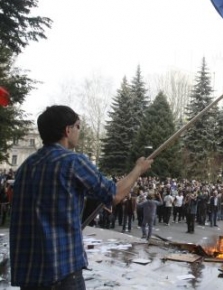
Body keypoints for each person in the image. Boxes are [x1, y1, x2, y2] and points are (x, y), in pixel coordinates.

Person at [9, 105, 153, 290]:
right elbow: (114, 194)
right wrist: (138, 170)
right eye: (78, 126)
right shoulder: (72, 162)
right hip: (61, 269)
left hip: (28, 271)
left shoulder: (26, 167)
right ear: (67, 130)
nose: (79, 130)